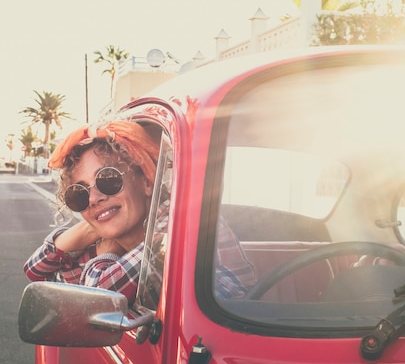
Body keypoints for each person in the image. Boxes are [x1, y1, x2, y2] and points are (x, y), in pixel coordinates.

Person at [24, 119, 257, 304]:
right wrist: (88, 230)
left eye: (108, 180)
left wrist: (105, 254)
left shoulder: (177, 223)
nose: (94, 199)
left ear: (147, 182)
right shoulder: (118, 235)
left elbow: (97, 296)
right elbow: (36, 270)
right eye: (79, 194)